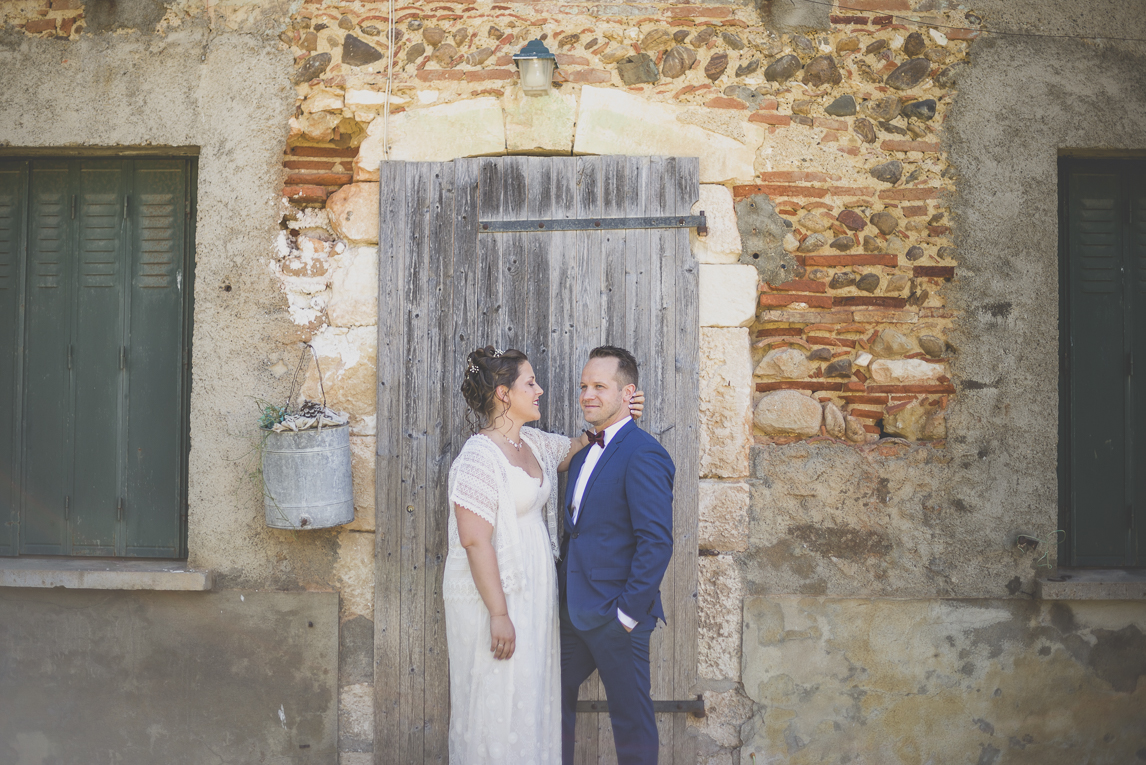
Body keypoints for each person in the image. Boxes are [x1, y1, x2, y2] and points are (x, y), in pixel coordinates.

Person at [443, 345, 644, 764]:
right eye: (529, 383)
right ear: (503, 393)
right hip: (497, 594)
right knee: (498, 693)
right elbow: (474, 541)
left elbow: (578, 447)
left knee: (532, 693)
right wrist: (499, 612)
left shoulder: (533, 444)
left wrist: (621, 416)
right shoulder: (478, 457)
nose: (540, 389)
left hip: (537, 591)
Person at [558, 346, 675, 765]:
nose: (588, 394)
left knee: (630, 719)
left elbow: (656, 541)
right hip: (574, 613)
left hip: (616, 617)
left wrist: (627, 614)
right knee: (551, 700)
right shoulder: (585, 452)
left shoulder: (643, 453)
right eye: (584, 386)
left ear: (628, 393)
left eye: (599, 387)